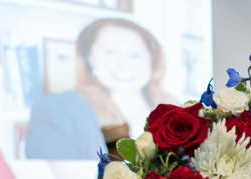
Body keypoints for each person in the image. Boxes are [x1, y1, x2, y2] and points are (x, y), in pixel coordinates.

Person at [25, 18, 175, 159]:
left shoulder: (177, 109)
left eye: (135, 55)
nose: (124, 65)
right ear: (89, 57)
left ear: (152, 59)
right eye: (110, 52)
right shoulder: (55, 110)